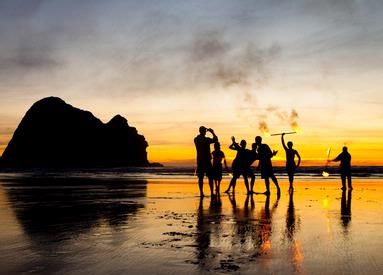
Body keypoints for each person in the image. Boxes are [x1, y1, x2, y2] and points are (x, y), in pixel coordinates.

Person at [194, 126, 218, 197]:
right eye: (205, 131)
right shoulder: (206, 139)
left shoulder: (196, 139)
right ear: (204, 131)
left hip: (200, 160)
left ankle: (201, 193)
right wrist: (212, 132)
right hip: (206, 160)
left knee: (201, 177)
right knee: (210, 177)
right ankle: (211, 193)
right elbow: (216, 140)